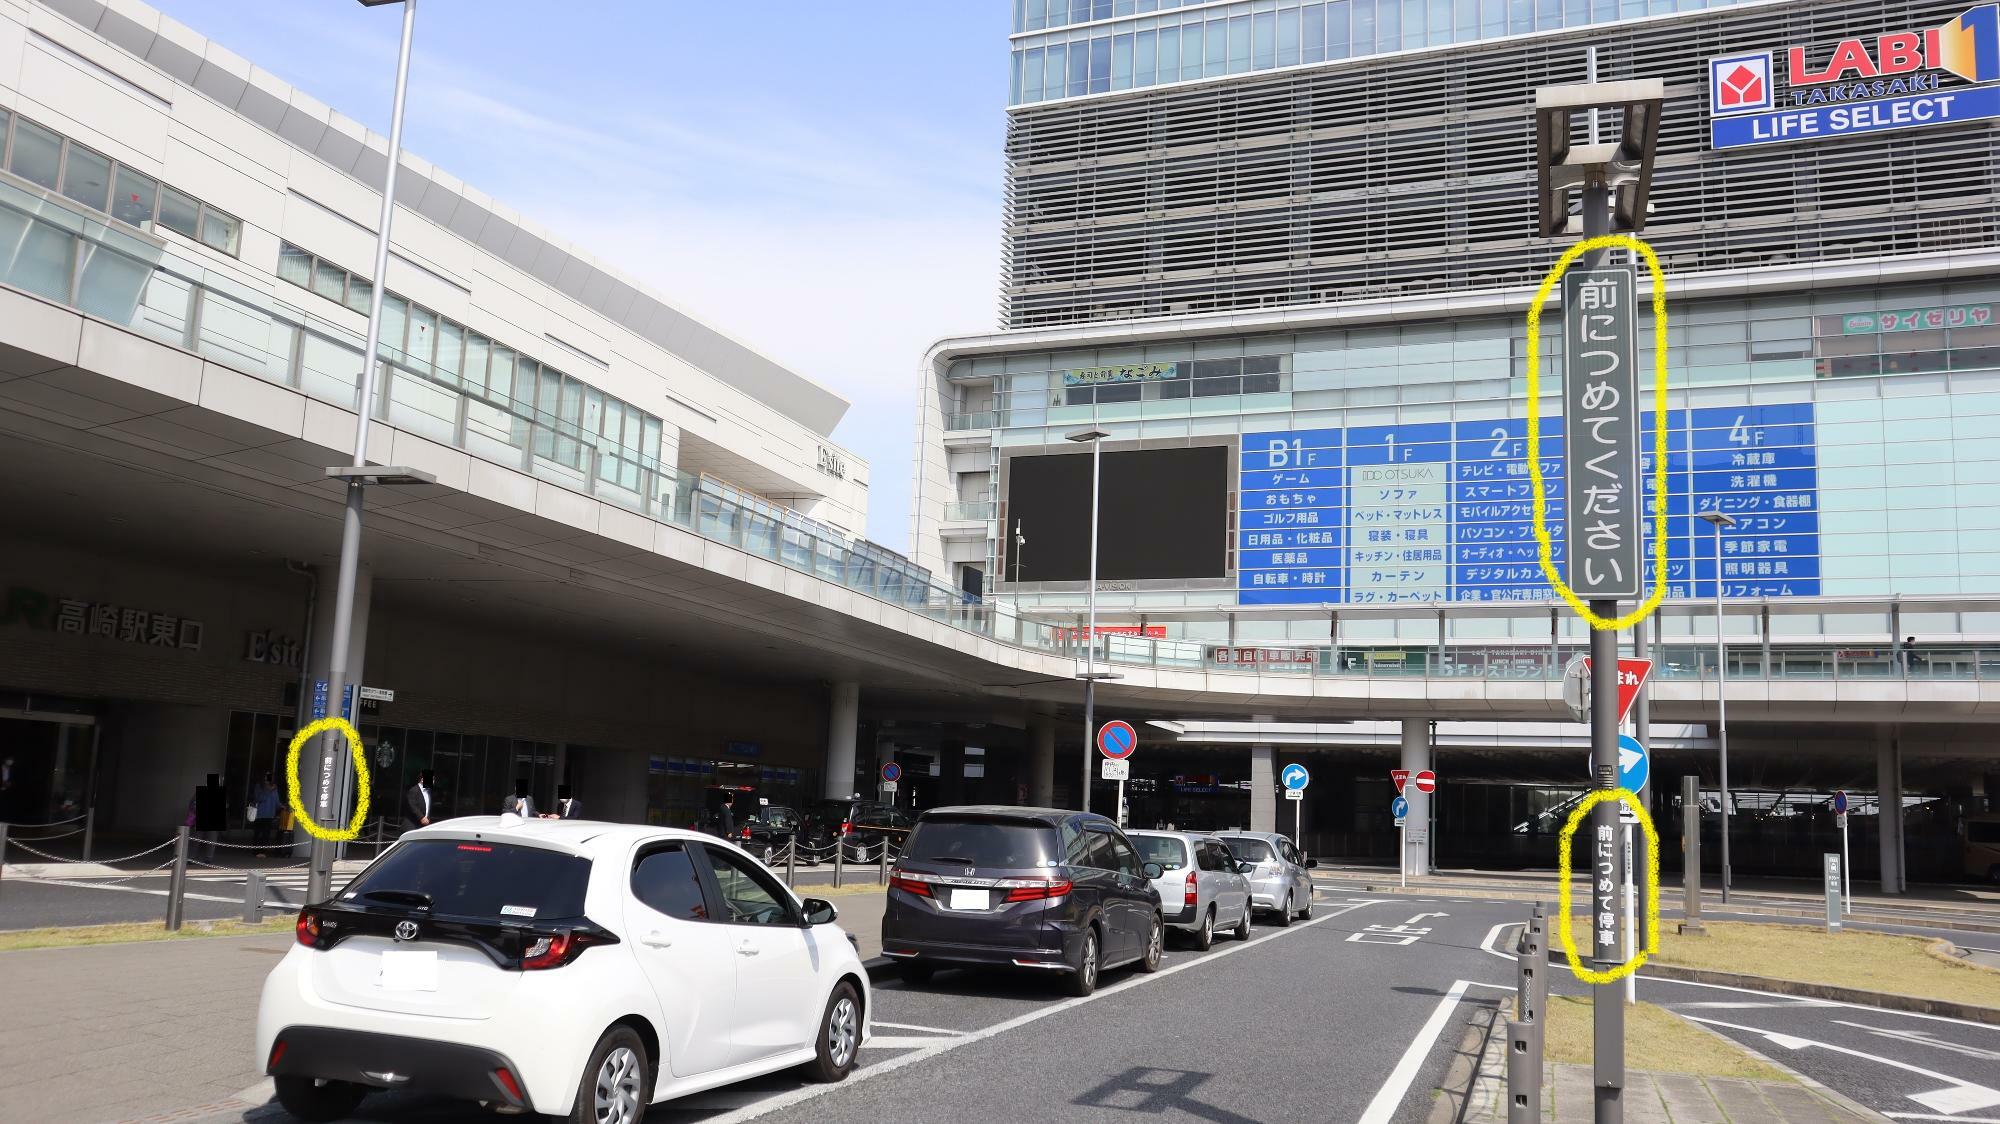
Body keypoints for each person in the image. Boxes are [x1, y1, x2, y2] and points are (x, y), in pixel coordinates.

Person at [250, 773, 280, 856]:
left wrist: (281, 806)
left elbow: (276, 801)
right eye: (266, 776)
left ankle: (263, 852)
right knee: (257, 833)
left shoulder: (274, 788)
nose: (267, 778)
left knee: (266, 834)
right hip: (259, 815)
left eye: (269, 776)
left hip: (269, 815)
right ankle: (255, 851)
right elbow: (259, 798)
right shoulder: (259, 786)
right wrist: (269, 790)